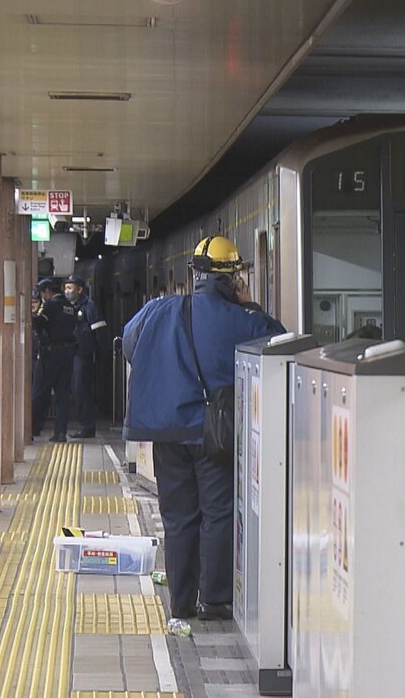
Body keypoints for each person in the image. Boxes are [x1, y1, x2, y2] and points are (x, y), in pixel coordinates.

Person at [123, 236, 284, 622]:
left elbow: (129, 344)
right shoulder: (241, 320)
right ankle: (214, 599)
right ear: (231, 279)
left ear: (195, 275)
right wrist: (248, 306)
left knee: (178, 517)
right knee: (217, 512)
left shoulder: (155, 311)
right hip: (214, 434)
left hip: (166, 432)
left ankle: (181, 602)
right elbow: (281, 342)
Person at [63, 275, 109, 439]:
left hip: (84, 353)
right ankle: (84, 425)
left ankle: (87, 426)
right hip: (71, 353)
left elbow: (99, 331)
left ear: (80, 289)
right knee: (76, 389)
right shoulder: (67, 307)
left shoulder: (89, 306)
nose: (67, 291)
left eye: (71, 288)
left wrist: (101, 353)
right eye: (66, 288)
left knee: (82, 389)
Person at [31, 277, 76, 442]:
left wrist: (32, 317)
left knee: (40, 392)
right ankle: (60, 432)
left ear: (47, 291)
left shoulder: (50, 305)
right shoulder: (70, 307)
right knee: (62, 395)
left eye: (42, 294)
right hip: (67, 353)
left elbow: (40, 324)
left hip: (50, 354)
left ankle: (32, 427)